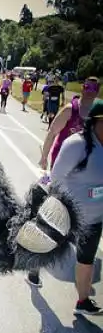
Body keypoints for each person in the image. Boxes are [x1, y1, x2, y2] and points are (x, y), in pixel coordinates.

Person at [26, 77, 100, 288]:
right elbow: (52, 133)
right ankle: (34, 267)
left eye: (94, 88)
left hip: (85, 175)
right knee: (53, 218)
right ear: (83, 88)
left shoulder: (97, 114)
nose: (90, 91)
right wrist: (44, 157)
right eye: (87, 86)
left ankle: (80, 268)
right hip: (63, 170)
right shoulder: (71, 109)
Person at [50, 100, 103, 315]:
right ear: (96, 122)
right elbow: (56, 177)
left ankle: (82, 302)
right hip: (68, 215)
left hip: (95, 219)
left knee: (86, 261)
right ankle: (34, 267)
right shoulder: (76, 144)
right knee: (49, 249)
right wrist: (64, 208)